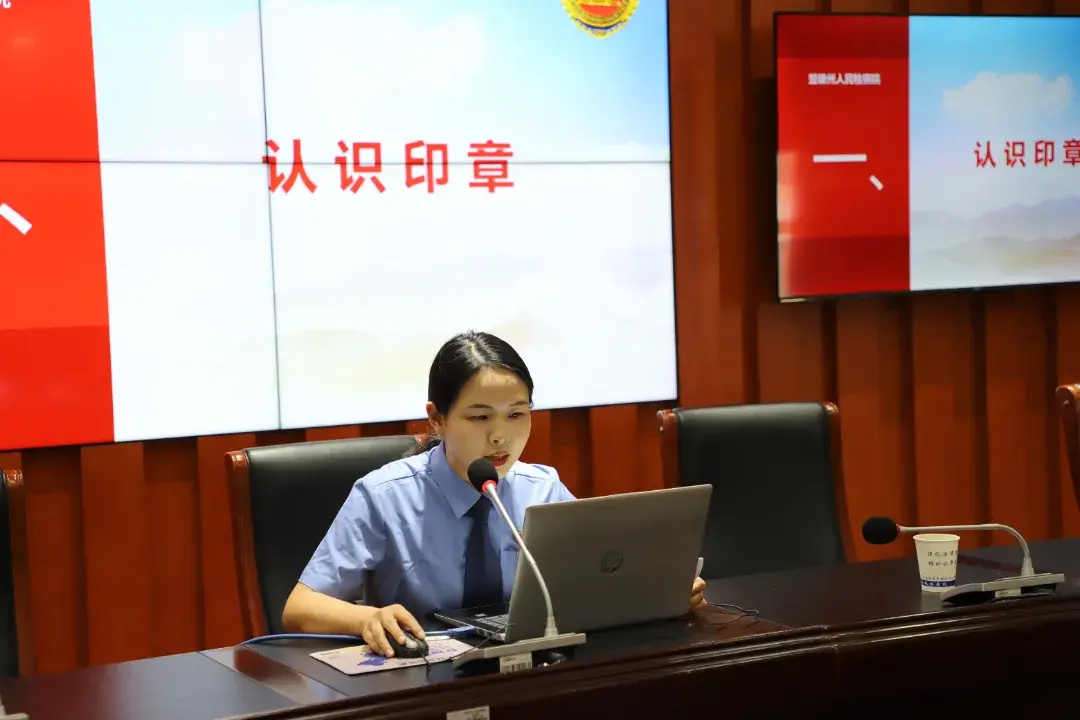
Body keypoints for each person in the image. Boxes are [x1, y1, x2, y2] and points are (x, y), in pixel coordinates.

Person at [282, 330, 706, 657]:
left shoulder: (541, 488)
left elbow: (596, 579)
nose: (501, 436)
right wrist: (367, 618)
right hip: (424, 679)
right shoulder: (383, 496)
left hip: (528, 672)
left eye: (517, 415)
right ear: (437, 419)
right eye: (480, 417)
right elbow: (299, 607)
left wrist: (659, 590)